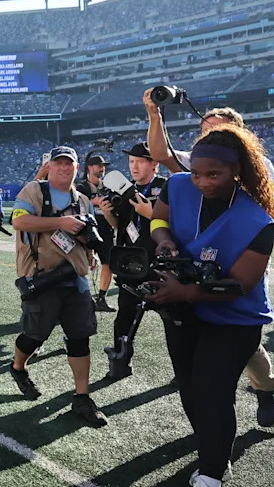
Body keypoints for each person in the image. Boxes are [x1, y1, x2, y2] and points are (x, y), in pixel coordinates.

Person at [148, 125, 274, 487]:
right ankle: (213, 447)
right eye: (196, 172)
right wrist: (163, 240)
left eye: (214, 174)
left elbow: (241, 285)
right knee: (191, 390)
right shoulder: (177, 184)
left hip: (235, 318)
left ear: (237, 170)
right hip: (183, 311)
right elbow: (159, 218)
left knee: (213, 391)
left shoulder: (257, 221)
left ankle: (213, 469)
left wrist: (185, 292)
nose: (202, 182)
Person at [7, 146, 108, 426]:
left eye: (69, 164)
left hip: (74, 279)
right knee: (34, 335)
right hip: (42, 277)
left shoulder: (83, 200)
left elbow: (86, 235)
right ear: (49, 166)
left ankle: (82, 397)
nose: (64, 168)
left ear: (77, 169)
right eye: (59, 163)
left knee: (80, 338)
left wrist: (92, 253)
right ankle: (17, 367)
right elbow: (19, 221)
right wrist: (60, 221)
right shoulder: (34, 191)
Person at [98, 142, 167, 380]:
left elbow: (182, 225)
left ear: (154, 164)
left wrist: (152, 215)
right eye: (131, 162)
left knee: (173, 320)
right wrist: (108, 213)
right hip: (131, 263)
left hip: (160, 264)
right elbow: (121, 226)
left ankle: (183, 369)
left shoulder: (166, 188)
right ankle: (120, 362)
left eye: (139, 161)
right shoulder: (124, 190)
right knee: (124, 317)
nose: (134, 166)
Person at [76, 154, 116, 312]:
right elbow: (77, 202)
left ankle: (101, 297)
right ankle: (77, 298)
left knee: (108, 263)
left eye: (103, 166)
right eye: (99, 166)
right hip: (86, 229)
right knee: (81, 262)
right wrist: (95, 201)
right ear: (90, 168)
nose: (102, 169)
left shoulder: (107, 186)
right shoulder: (82, 187)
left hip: (105, 228)